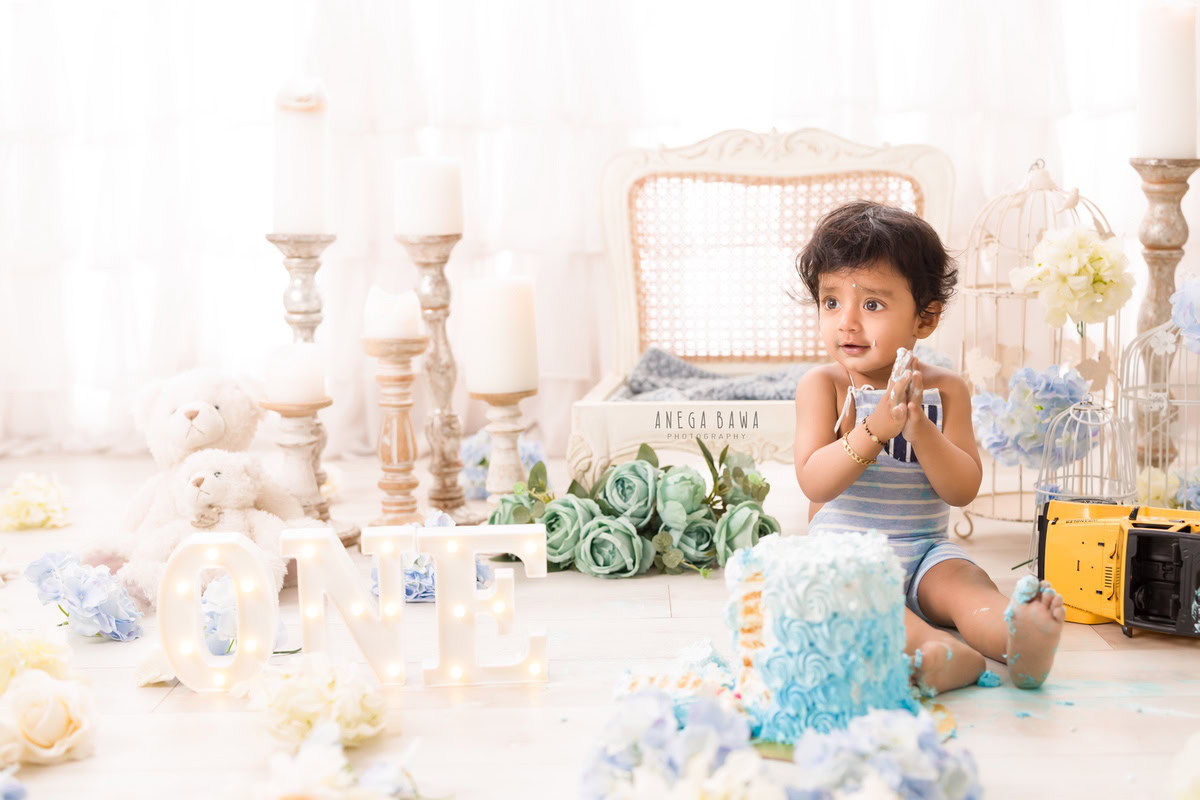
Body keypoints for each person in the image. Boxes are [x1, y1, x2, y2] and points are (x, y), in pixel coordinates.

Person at [792, 201, 1064, 693]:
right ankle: (937, 651)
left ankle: (1015, 637)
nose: (846, 322)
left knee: (967, 587)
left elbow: (961, 491)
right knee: (858, 600)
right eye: (831, 302)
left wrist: (921, 432)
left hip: (925, 552)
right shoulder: (824, 386)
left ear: (925, 318)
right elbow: (814, 481)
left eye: (871, 305)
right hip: (845, 553)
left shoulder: (945, 390)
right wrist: (872, 431)